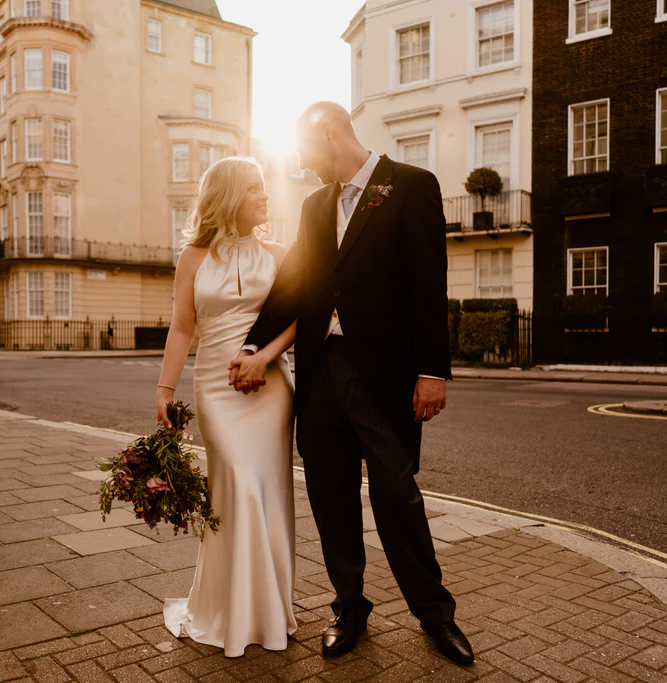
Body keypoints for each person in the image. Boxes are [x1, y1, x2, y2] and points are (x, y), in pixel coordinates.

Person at [229, 101, 474, 666]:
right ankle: (349, 607)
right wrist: (252, 346)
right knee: (330, 494)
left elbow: (427, 284)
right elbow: (294, 282)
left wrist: (432, 371)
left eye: (306, 153)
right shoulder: (315, 206)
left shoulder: (412, 186)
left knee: (396, 494)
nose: (303, 165)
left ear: (330, 132)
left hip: (383, 376)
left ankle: (436, 615)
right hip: (321, 374)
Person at [156, 157, 298, 657]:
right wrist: (165, 389)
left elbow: (296, 320)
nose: (265, 196)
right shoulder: (192, 257)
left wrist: (265, 356)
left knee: (267, 493)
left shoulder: (280, 255)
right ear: (230, 196)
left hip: (271, 391)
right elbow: (182, 326)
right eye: (255, 189)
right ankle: (227, 611)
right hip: (215, 391)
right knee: (235, 487)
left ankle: (268, 611)